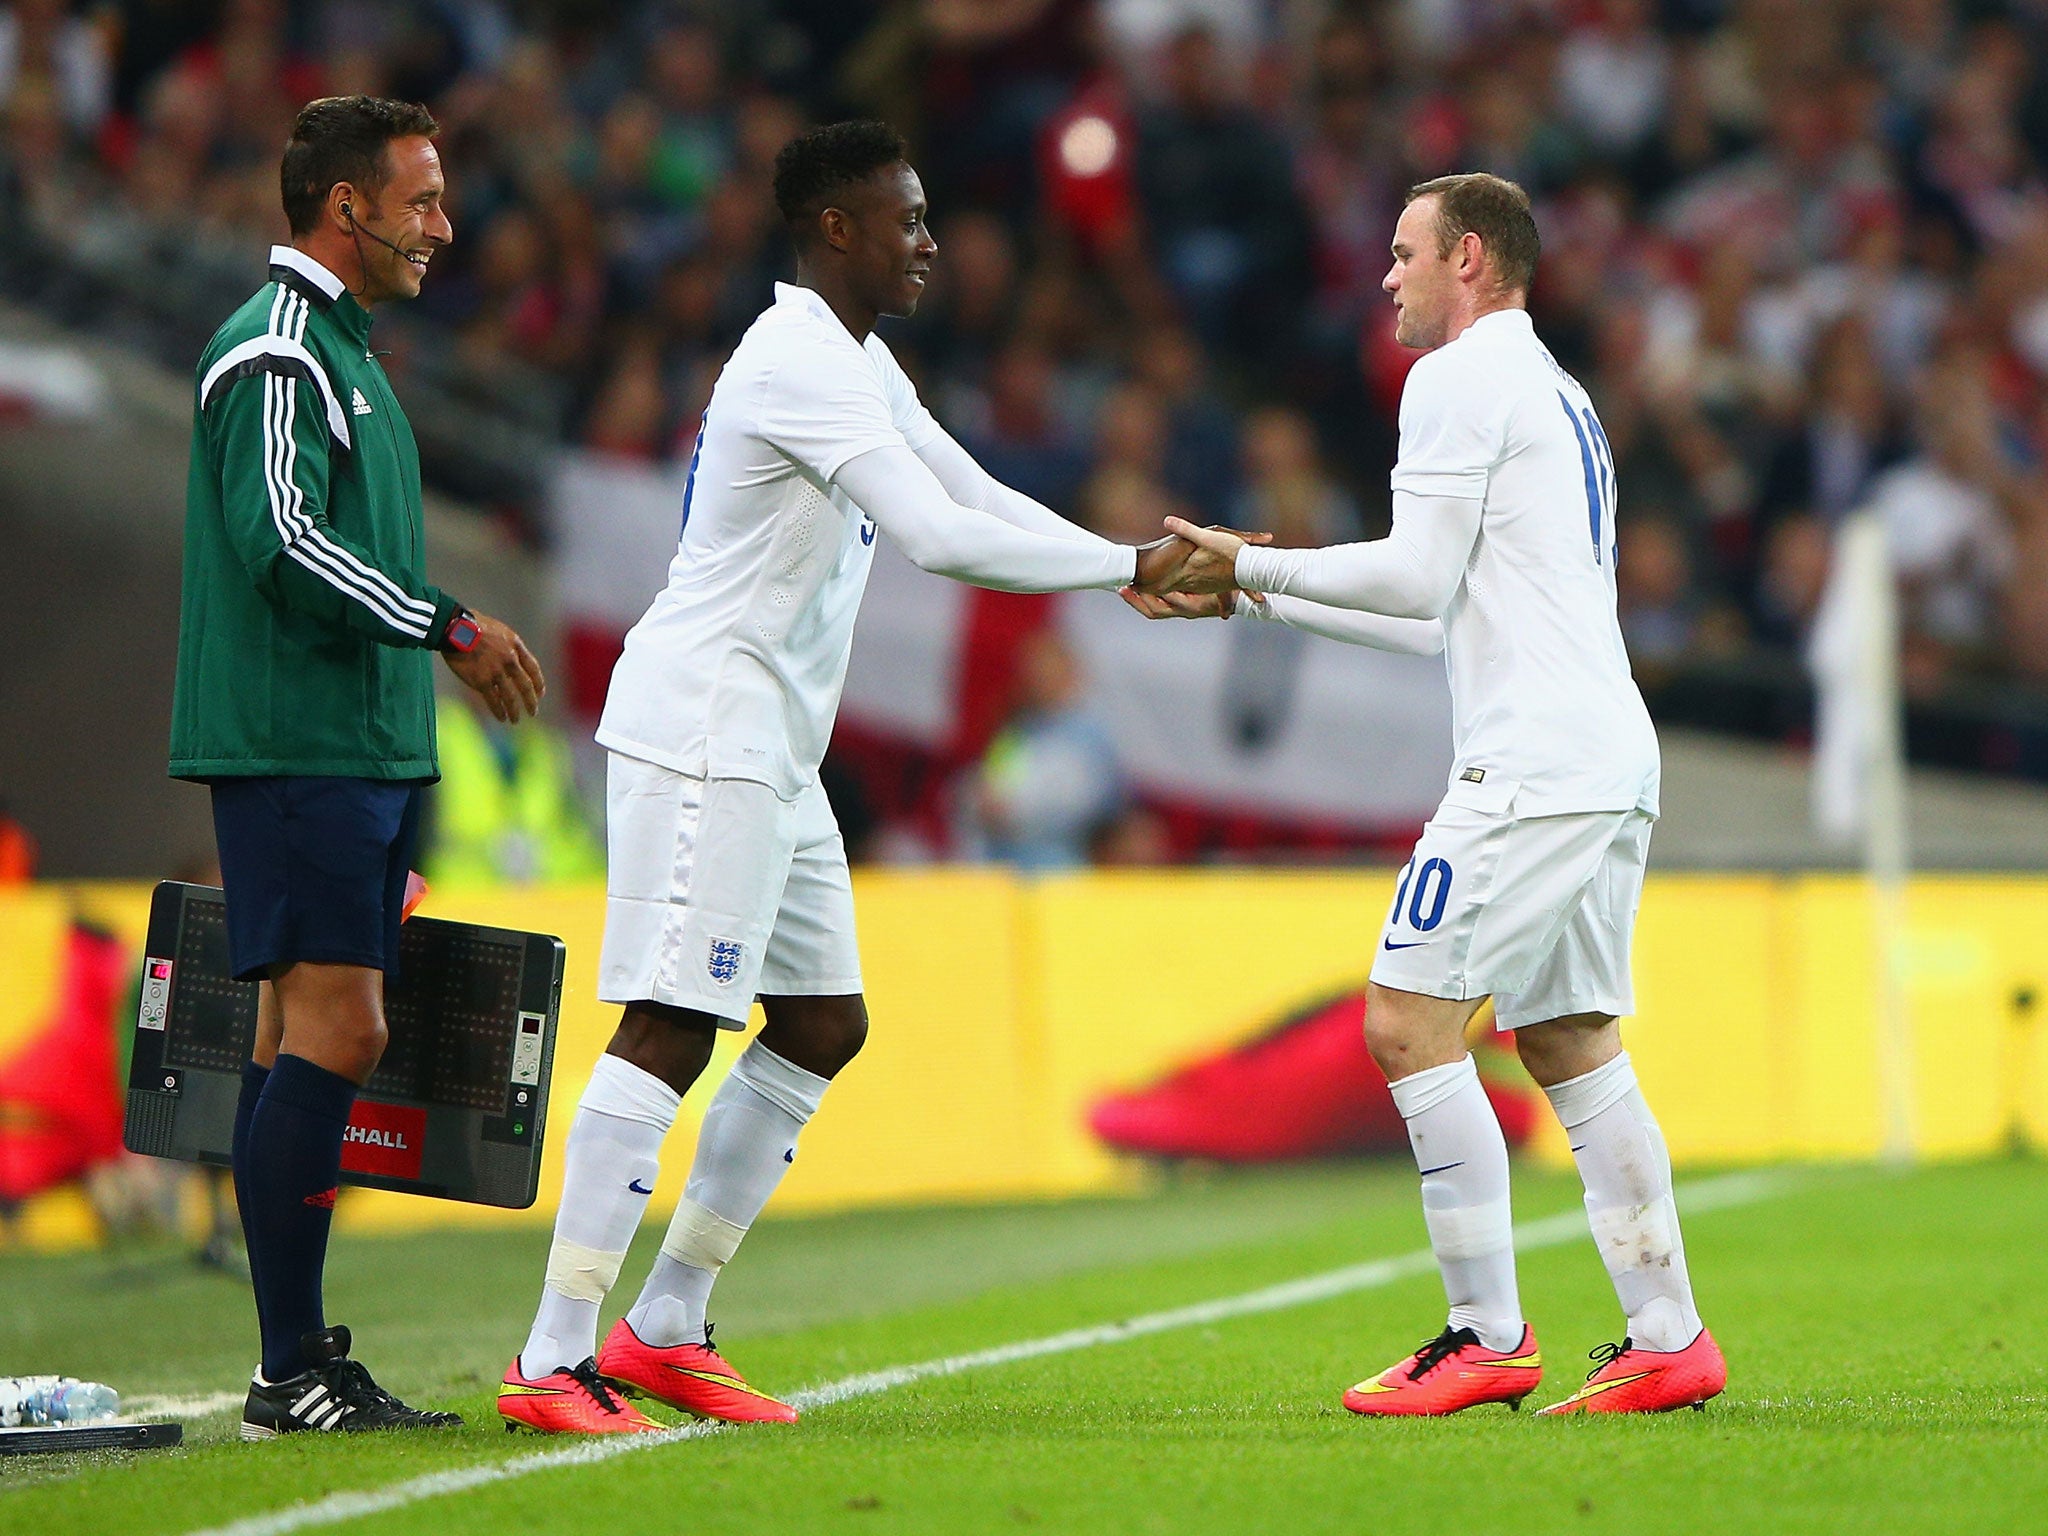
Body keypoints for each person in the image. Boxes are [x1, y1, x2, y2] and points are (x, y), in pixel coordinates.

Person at [498, 120, 1202, 1435]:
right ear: (837, 229)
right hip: (710, 723)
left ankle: (664, 1327)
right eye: (909, 221)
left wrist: (1126, 561)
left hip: (774, 740)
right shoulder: (797, 358)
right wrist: (1121, 572)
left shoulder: (857, 359)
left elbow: (972, 487)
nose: (929, 244)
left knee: (822, 1020)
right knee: (673, 1021)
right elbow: (939, 540)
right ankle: (552, 1353)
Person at [1141, 173, 1721, 1416]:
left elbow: (1410, 582)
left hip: (1531, 761)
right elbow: (1435, 615)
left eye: (1402, 254)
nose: (1385, 278)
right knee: (1567, 1039)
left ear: (1467, 257)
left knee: (1407, 1024)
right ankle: (1666, 1335)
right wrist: (1254, 590)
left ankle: (1482, 1332)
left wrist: (1249, 556)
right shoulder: (1557, 393)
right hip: (1604, 750)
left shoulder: (1454, 380)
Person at [170, 95, 547, 1438]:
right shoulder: (276, 351)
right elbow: (280, 536)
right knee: (344, 1029)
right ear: (346, 208)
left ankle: (295, 1360)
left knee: (297, 1034)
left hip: (363, 747)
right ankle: (288, 1368)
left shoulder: (351, 352)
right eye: (423, 201)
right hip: (297, 746)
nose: (443, 226)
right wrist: (444, 620)